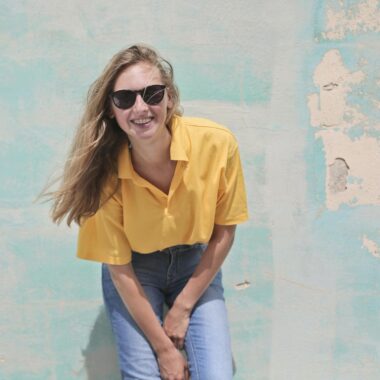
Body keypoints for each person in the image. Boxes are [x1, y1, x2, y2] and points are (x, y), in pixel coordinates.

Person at [49, 44, 248, 380]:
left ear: (169, 98)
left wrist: (183, 308)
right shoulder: (103, 172)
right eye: (125, 99)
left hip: (196, 264)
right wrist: (164, 349)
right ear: (112, 110)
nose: (140, 107)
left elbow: (224, 231)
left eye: (152, 94)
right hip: (135, 271)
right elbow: (119, 268)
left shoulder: (217, 144)